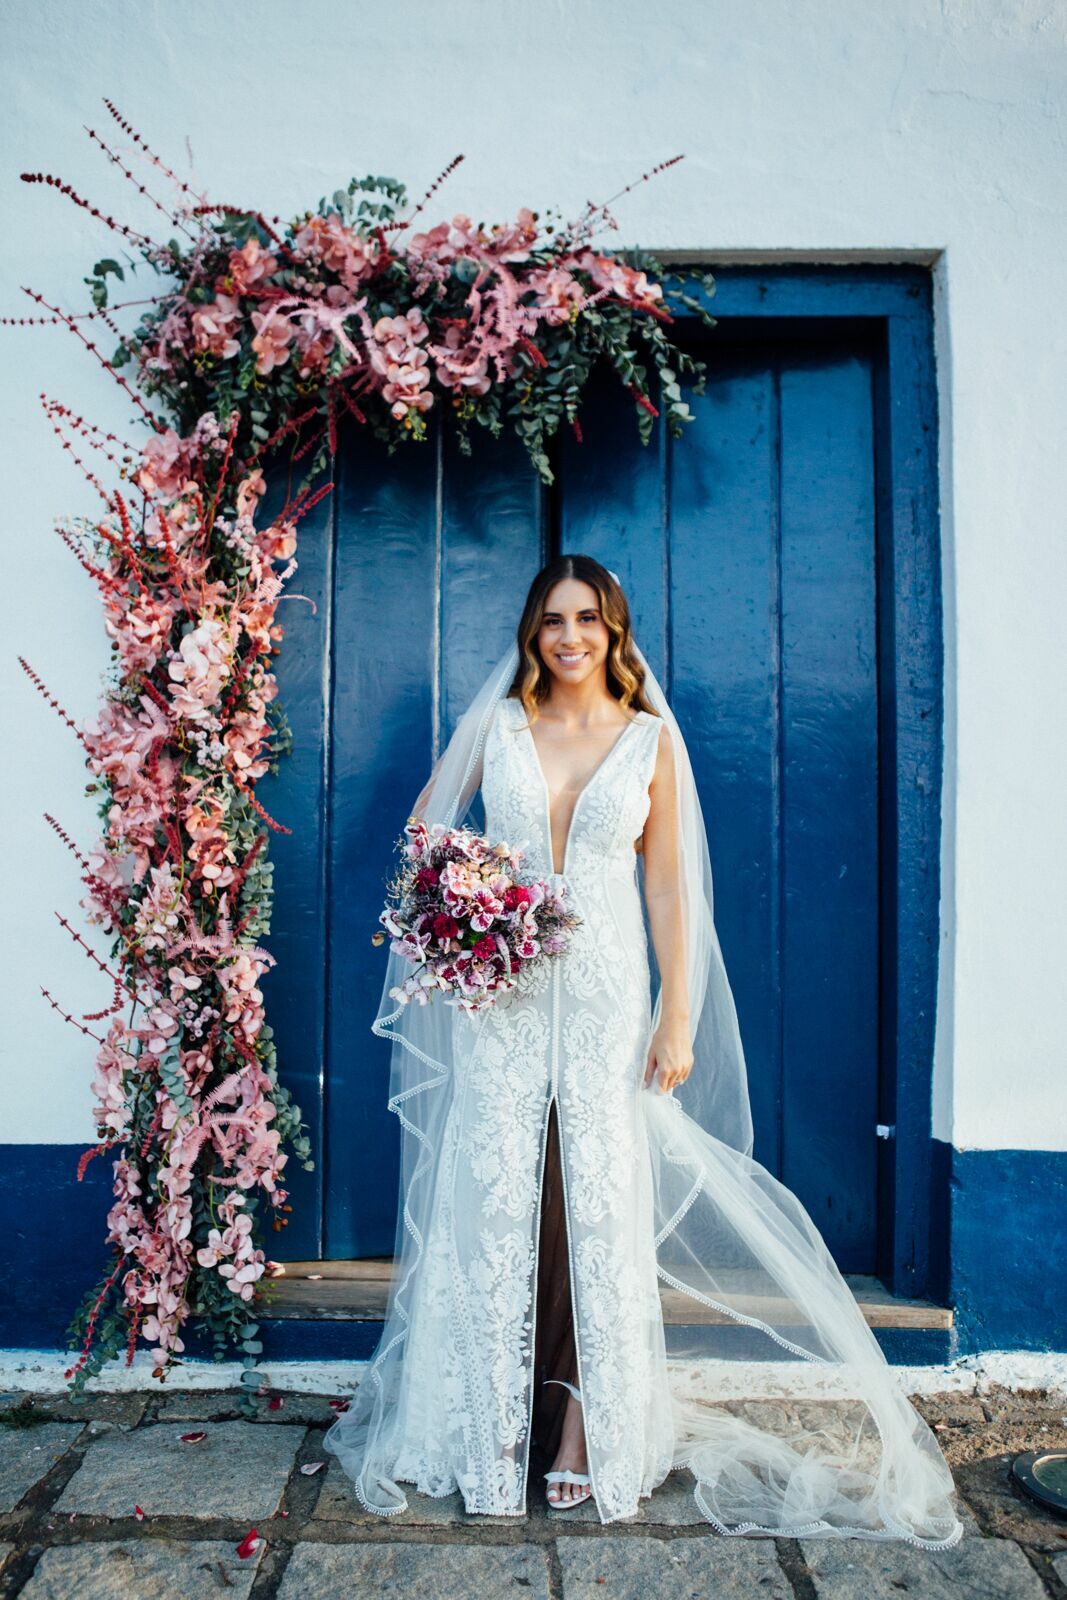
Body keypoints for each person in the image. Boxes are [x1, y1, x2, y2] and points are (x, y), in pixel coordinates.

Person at [323, 554, 964, 1545]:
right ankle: (487, 1432)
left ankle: (585, 1424)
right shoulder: (495, 730)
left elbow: (670, 891)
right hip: (501, 996)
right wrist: (461, 913)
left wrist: (677, 1013)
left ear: (612, 633)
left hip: (605, 995)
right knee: (500, 1196)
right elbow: (424, 841)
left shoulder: (648, 743)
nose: (568, 636)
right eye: (551, 620)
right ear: (532, 634)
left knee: (599, 1200)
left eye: (586, 619)